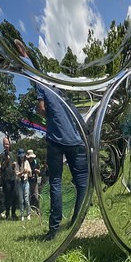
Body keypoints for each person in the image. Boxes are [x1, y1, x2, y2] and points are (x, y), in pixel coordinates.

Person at [36, 84, 90, 240]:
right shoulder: (63, 89)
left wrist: (43, 113)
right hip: (75, 139)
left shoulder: (41, 84)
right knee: (82, 183)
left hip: (55, 139)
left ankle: (53, 230)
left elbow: (41, 109)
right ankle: (77, 221)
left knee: (56, 182)